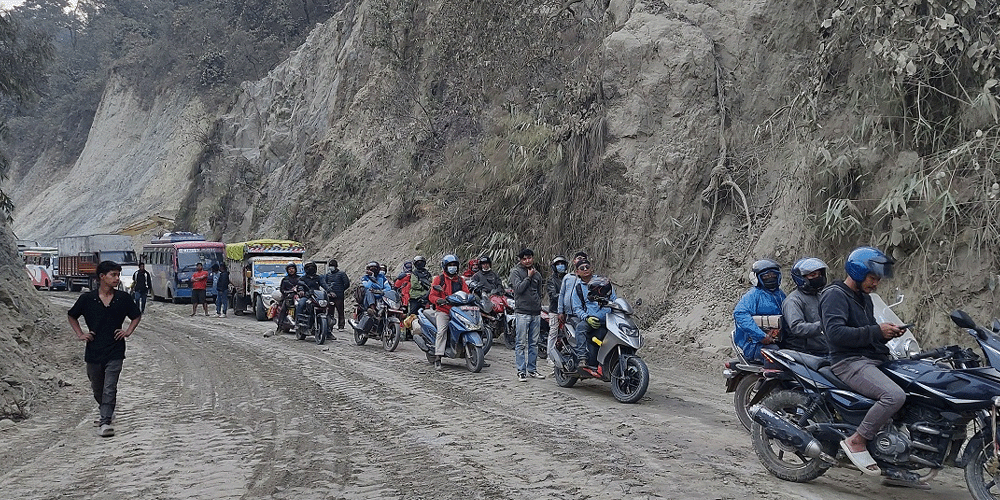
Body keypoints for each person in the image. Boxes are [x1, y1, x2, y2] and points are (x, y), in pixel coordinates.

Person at [820, 246, 907, 480]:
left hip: (871, 358)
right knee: (894, 396)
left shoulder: (865, 299)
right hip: (848, 361)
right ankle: (857, 440)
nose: (876, 283)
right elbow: (835, 334)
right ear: (857, 272)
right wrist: (877, 331)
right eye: (872, 278)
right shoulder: (834, 295)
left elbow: (866, 332)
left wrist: (887, 334)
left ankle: (896, 456)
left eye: (878, 279)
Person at [67, 261, 142, 437]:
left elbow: (136, 315)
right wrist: (80, 334)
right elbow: (72, 315)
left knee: (110, 386)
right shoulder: (87, 299)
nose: (117, 278)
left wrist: (128, 331)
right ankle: (105, 410)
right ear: (102, 277)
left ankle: (105, 421)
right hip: (93, 350)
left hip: (115, 349)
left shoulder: (123, 298)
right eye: (113, 275)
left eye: (118, 275)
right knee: (97, 387)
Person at [733, 259, 786, 362]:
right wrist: (761, 336)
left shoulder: (780, 294)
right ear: (757, 278)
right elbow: (740, 314)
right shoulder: (753, 295)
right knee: (776, 355)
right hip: (754, 344)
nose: (770, 278)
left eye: (773, 275)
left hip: (777, 339)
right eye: (766, 276)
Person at [569, 269, 616, 376]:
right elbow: (577, 308)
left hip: (608, 320)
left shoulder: (605, 284)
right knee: (581, 328)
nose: (585, 269)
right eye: (582, 268)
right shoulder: (579, 288)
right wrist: (587, 318)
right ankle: (582, 358)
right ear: (577, 272)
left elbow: (615, 301)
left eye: (587, 266)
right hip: (590, 319)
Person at [508, 248, 545, 381]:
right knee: (521, 343)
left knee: (534, 343)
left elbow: (539, 292)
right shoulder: (516, 272)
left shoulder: (537, 274)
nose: (527, 261)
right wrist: (528, 277)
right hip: (522, 312)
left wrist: (538, 304)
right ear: (520, 260)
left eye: (529, 258)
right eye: (524, 259)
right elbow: (518, 289)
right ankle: (521, 371)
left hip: (535, 312)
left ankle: (532, 370)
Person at [428, 254, 469, 371]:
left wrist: (472, 298)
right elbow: (432, 296)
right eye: (450, 265)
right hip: (444, 310)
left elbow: (467, 293)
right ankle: (438, 357)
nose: (452, 267)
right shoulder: (439, 279)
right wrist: (438, 300)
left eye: (454, 265)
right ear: (445, 267)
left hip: (459, 310)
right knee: (442, 331)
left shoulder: (460, 280)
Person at [780, 257, 828, 356]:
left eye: (819, 274)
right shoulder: (793, 300)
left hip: (826, 349)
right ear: (801, 278)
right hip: (806, 354)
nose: (817, 277)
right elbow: (797, 327)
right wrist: (823, 325)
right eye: (813, 275)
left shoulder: (820, 296)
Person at [545, 255, 569, 368]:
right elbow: (553, 295)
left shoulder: (568, 278)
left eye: (562, 264)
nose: (560, 266)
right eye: (558, 264)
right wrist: (566, 297)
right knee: (553, 332)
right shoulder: (551, 280)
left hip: (568, 310)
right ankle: (550, 356)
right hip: (555, 310)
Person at [558, 251, 590, 330]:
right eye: (579, 258)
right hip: (568, 313)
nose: (581, 260)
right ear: (574, 261)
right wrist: (560, 311)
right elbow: (562, 294)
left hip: (583, 313)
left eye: (584, 259)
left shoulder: (587, 278)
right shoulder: (568, 277)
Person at [321, 259, 350, 331]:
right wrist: (329, 292)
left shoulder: (341, 274)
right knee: (330, 312)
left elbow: (347, 284)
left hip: (339, 296)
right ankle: (330, 326)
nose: (331, 267)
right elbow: (325, 284)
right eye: (330, 266)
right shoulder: (328, 275)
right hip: (330, 296)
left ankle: (341, 326)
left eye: (332, 266)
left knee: (340, 311)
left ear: (336, 266)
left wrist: (341, 290)